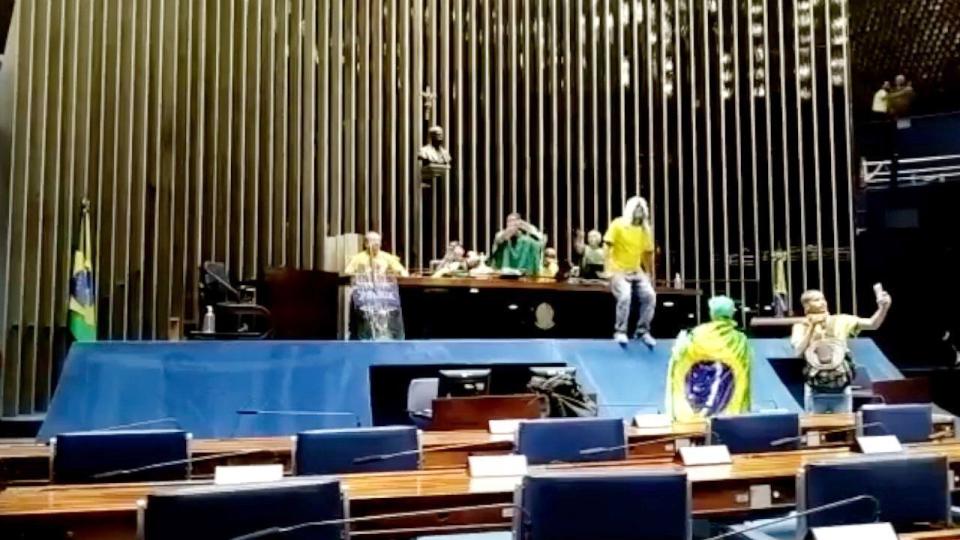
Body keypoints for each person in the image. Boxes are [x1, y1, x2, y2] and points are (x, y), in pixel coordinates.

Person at [790, 286, 892, 413]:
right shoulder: (800, 326)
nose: (822, 302)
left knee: (845, 426)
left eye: (823, 299)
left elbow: (872, 324)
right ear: (807, 305)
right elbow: (798, 352)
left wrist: (883, 308)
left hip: (841, 385)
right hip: (815, 388)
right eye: (816, 300)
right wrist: (811, 327)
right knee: (814, 427)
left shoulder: (841, 320)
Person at [665, 296, 751, 421]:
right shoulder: (740, 342)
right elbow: (743, 378)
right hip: (730, 417)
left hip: (690, 417)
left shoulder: (695, 336)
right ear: (731, 313)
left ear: (712, 313)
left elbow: (678, 362)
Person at [604, 196, 657, 346]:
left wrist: (649, 272)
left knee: (650, 296)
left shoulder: (645, 230)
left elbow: (648, 253)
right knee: (625, 296)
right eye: (636, 208)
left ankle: (642, 331)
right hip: (619, 269)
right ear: (630, 210)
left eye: (642, 209)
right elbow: (607, 246)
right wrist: (608, 269)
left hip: (636, 269)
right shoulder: (618, 224)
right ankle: (620, 331)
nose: (639, 212)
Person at [344, 231, 409, 276]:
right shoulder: (357, 258)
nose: (377, 243)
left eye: (378, 241)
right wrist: (361, 275)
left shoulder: (388, 257)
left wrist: (392, 273)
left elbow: (403, 272)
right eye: (373, 240)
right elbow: (347, 273)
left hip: (384, 290)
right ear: (366, 244)